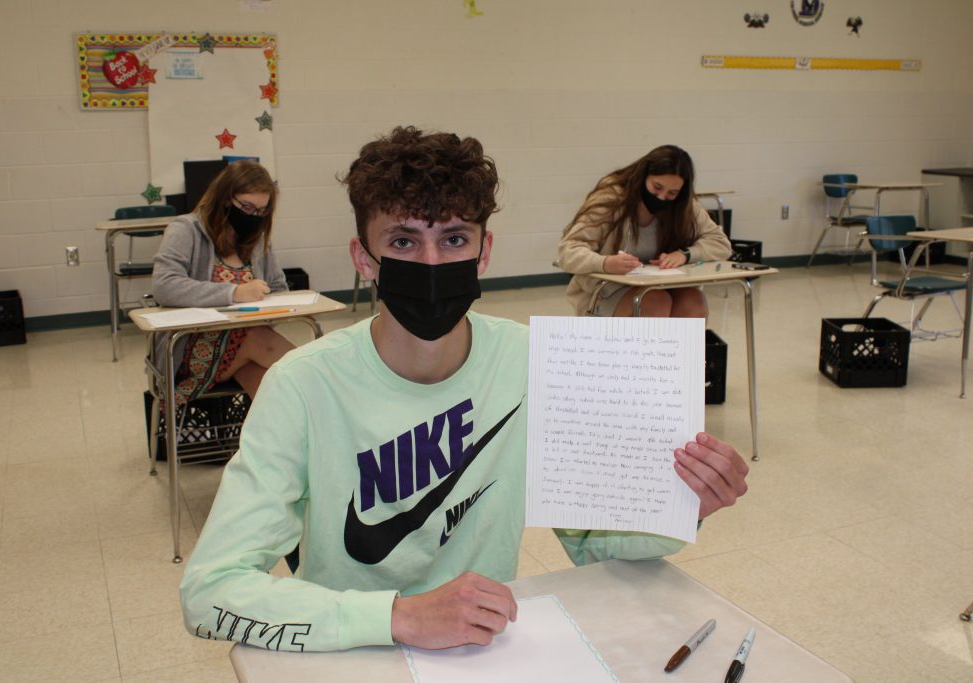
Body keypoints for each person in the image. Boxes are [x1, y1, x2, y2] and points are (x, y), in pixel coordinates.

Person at [179, 127, 749, 653]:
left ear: (485, 251)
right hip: (352, 651)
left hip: (485, 653)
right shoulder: (302, 385)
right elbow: (209, 593)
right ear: (363, 258)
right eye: (402, 242)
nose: (431, 262)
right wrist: (397, 616)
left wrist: (680, 506)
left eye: (454, 239)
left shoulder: (535, 365)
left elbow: (597, 547)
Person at [152, 160, 293, 402]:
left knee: (269, 384)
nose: (253, 216)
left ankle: (282, 438)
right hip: (191, 349)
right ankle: (326, 385)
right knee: (256, 340)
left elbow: (279, 288)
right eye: (247, 207)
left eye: (261, 211)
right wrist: (234, 293)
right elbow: (164, 285)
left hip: (242, 349)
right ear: (226, 198)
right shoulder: (186, 229)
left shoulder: (256, 240)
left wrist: (267, 304)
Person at [557, 145, 732, 319]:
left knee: (694, 302)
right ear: (643, 177)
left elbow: (721, 243)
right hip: (606, 290)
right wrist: (605, 263)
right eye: (657, 187)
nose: (662, 197)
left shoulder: (683, 205)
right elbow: (568, 251)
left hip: (663, 285)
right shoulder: (611, 198)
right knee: (654, 302)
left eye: (672, 192)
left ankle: (681, 348)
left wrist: (685, 254)